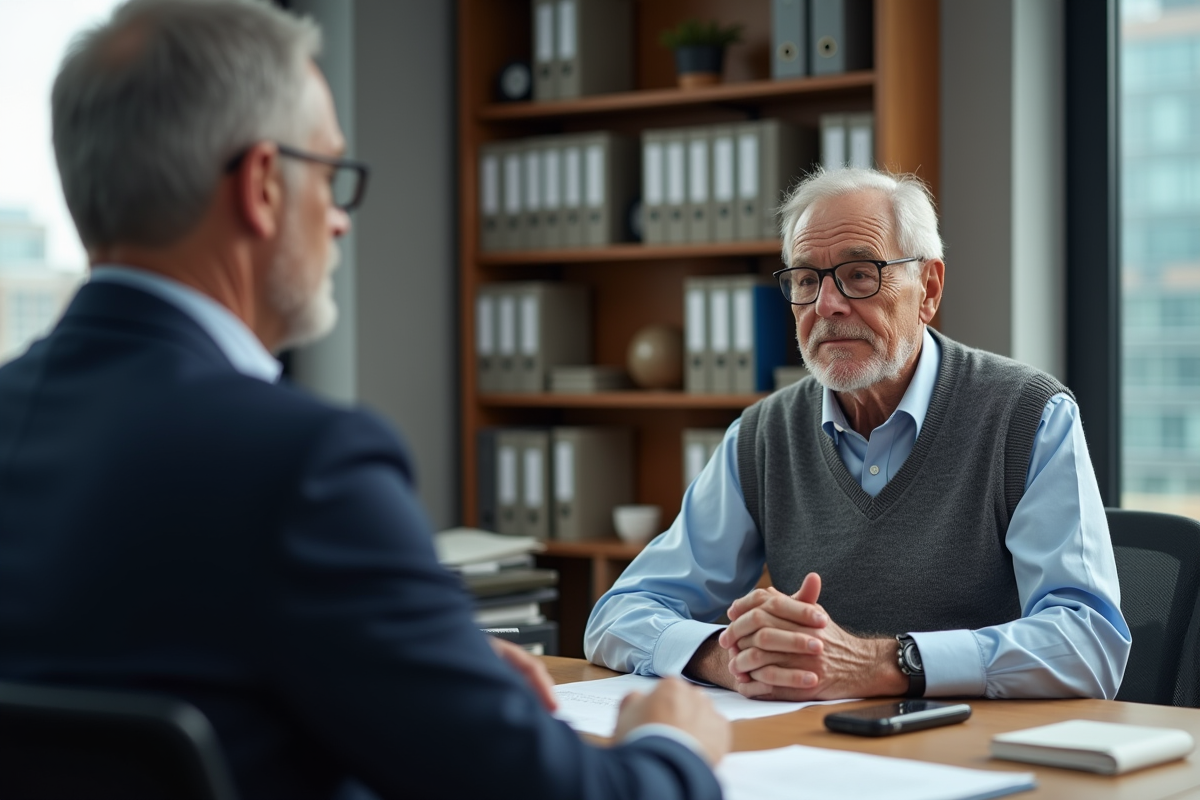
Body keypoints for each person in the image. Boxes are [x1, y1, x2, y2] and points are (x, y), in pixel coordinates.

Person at [0, 1, 729, 798]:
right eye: (332, 174)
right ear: (265, 186)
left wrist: (412, 667)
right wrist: (670, 744)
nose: (342, 221)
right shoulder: (302, 464)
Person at [585, 167, 1132, 703]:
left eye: (860, 273)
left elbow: (1089, 642)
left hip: (979, 758)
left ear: (929, 290)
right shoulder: (764, 434)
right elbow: (619, 612)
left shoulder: (1029, 416)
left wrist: (882, 665)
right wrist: (720, 656)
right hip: (819, 754)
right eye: (805, 280)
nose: (827, 305)